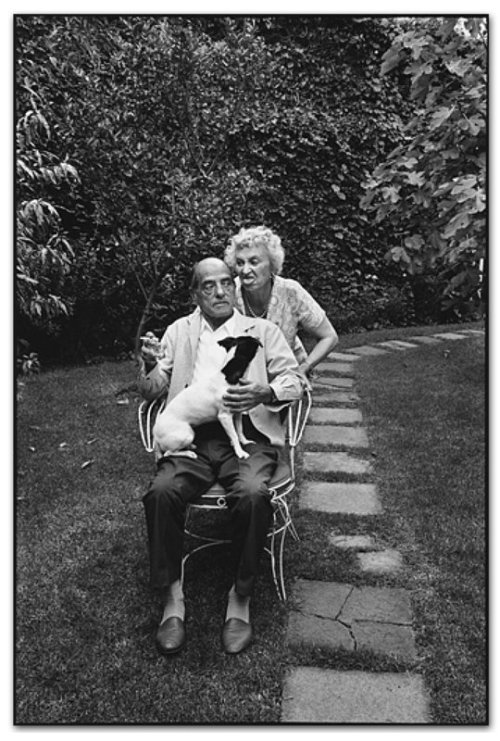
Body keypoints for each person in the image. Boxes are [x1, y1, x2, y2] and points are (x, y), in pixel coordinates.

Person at [138, 257, 303, 656]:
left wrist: (265, 393)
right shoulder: (180, 331)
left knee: (251, 493)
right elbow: (152, 390)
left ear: (235, 287)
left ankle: (240, 598)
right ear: (195, 294)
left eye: (226, 283)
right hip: (189, 436)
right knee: (161, 492)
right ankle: (173, 600)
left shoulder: (261, 331)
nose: (219, 292)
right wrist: (148, 365)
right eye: (208, 286)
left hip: (246, 434)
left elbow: (295, 380)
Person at [224, 225, 338, 378]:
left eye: (254, 262)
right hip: (240, 380)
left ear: (272, 264)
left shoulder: (291, 292)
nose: (245, 270)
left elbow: (329, 337)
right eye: (240, 263)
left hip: (285, 380)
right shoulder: (228, 294)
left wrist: (304, 367)